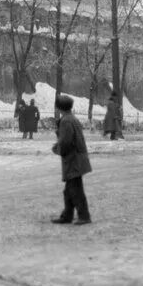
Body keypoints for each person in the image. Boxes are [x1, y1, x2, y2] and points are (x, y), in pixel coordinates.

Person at [51, 93, 92, 225]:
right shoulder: (72, 119)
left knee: (75, 190)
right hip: (77, 159)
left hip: (73, 160)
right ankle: (67, 215)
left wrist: (57, 148)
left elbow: (66, 142)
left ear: (59, 108)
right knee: (69, 190)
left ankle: (84, 216)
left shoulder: (66, 121)